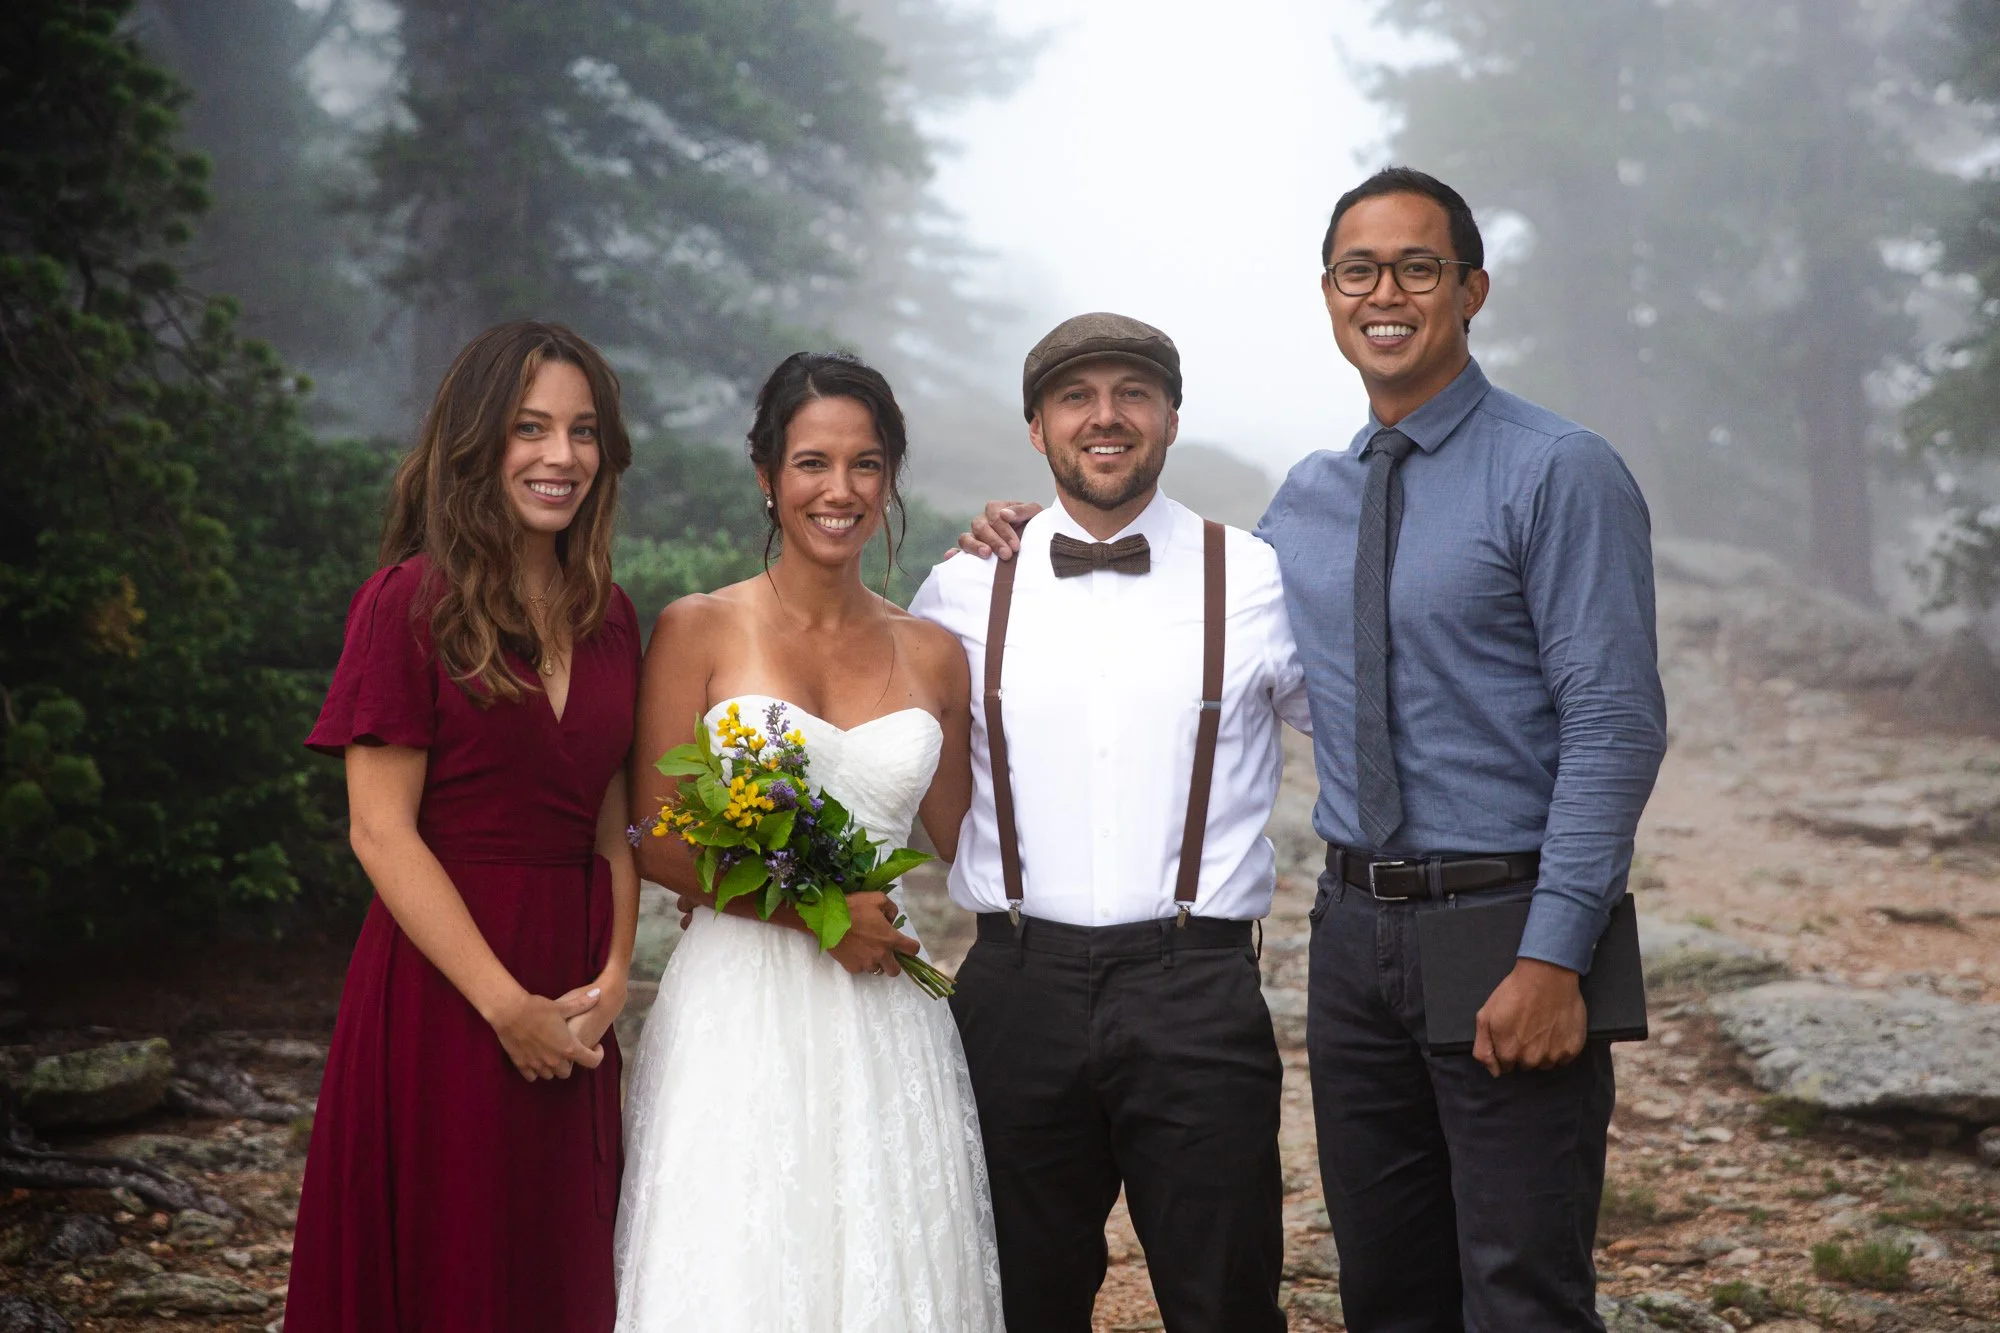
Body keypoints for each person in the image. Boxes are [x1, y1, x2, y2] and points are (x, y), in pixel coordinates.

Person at [1263, 168, 1668, 1329]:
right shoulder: (1306, 497)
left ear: (1469, 288)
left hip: (1505, 925)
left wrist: (1553, 957)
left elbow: (1613, 724)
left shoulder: (1558, 469)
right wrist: (1027, 540)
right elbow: (1201, 636)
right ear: (1330, 294)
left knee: (1519, 1293)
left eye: (1415, 266)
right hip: (1348, 941)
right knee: (1386, 1292)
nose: (1383, 291)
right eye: (1358, 269)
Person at [913, 313, 1311, 1332]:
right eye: (1075, 397)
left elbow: (1373, 734)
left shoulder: (1255, 577)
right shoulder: (958, 588)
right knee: (1014, 1297)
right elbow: (904, 770)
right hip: (1011, 983)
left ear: (1169, 418)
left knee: (1222, 1298)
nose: (1105, 416)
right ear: (1038, 427)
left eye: (1131, 393)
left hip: (1195, 983)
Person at [613, 352, 1003, 1332]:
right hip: (740, 1003)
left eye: (865, 465)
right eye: (812, 463)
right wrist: (814, 915)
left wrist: (1041, 571)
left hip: (885, 1016)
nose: (840, 490)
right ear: (765, 475)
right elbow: (655, 837)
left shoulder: (931, 651)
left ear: (890, 480)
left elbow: (973, 843)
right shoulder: (696, 628)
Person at [289, 320, 642, 1333]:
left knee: (560, 1272)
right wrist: (503, 1005)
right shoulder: (407, 602)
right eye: (530, 427)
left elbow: (612, 817)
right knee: (448, 1269)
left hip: (576, 999)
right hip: (449, 993)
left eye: (581, 432)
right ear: (476, 441)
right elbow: (379, 831)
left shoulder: (610, 613)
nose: (560, 456)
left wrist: (614, 976)